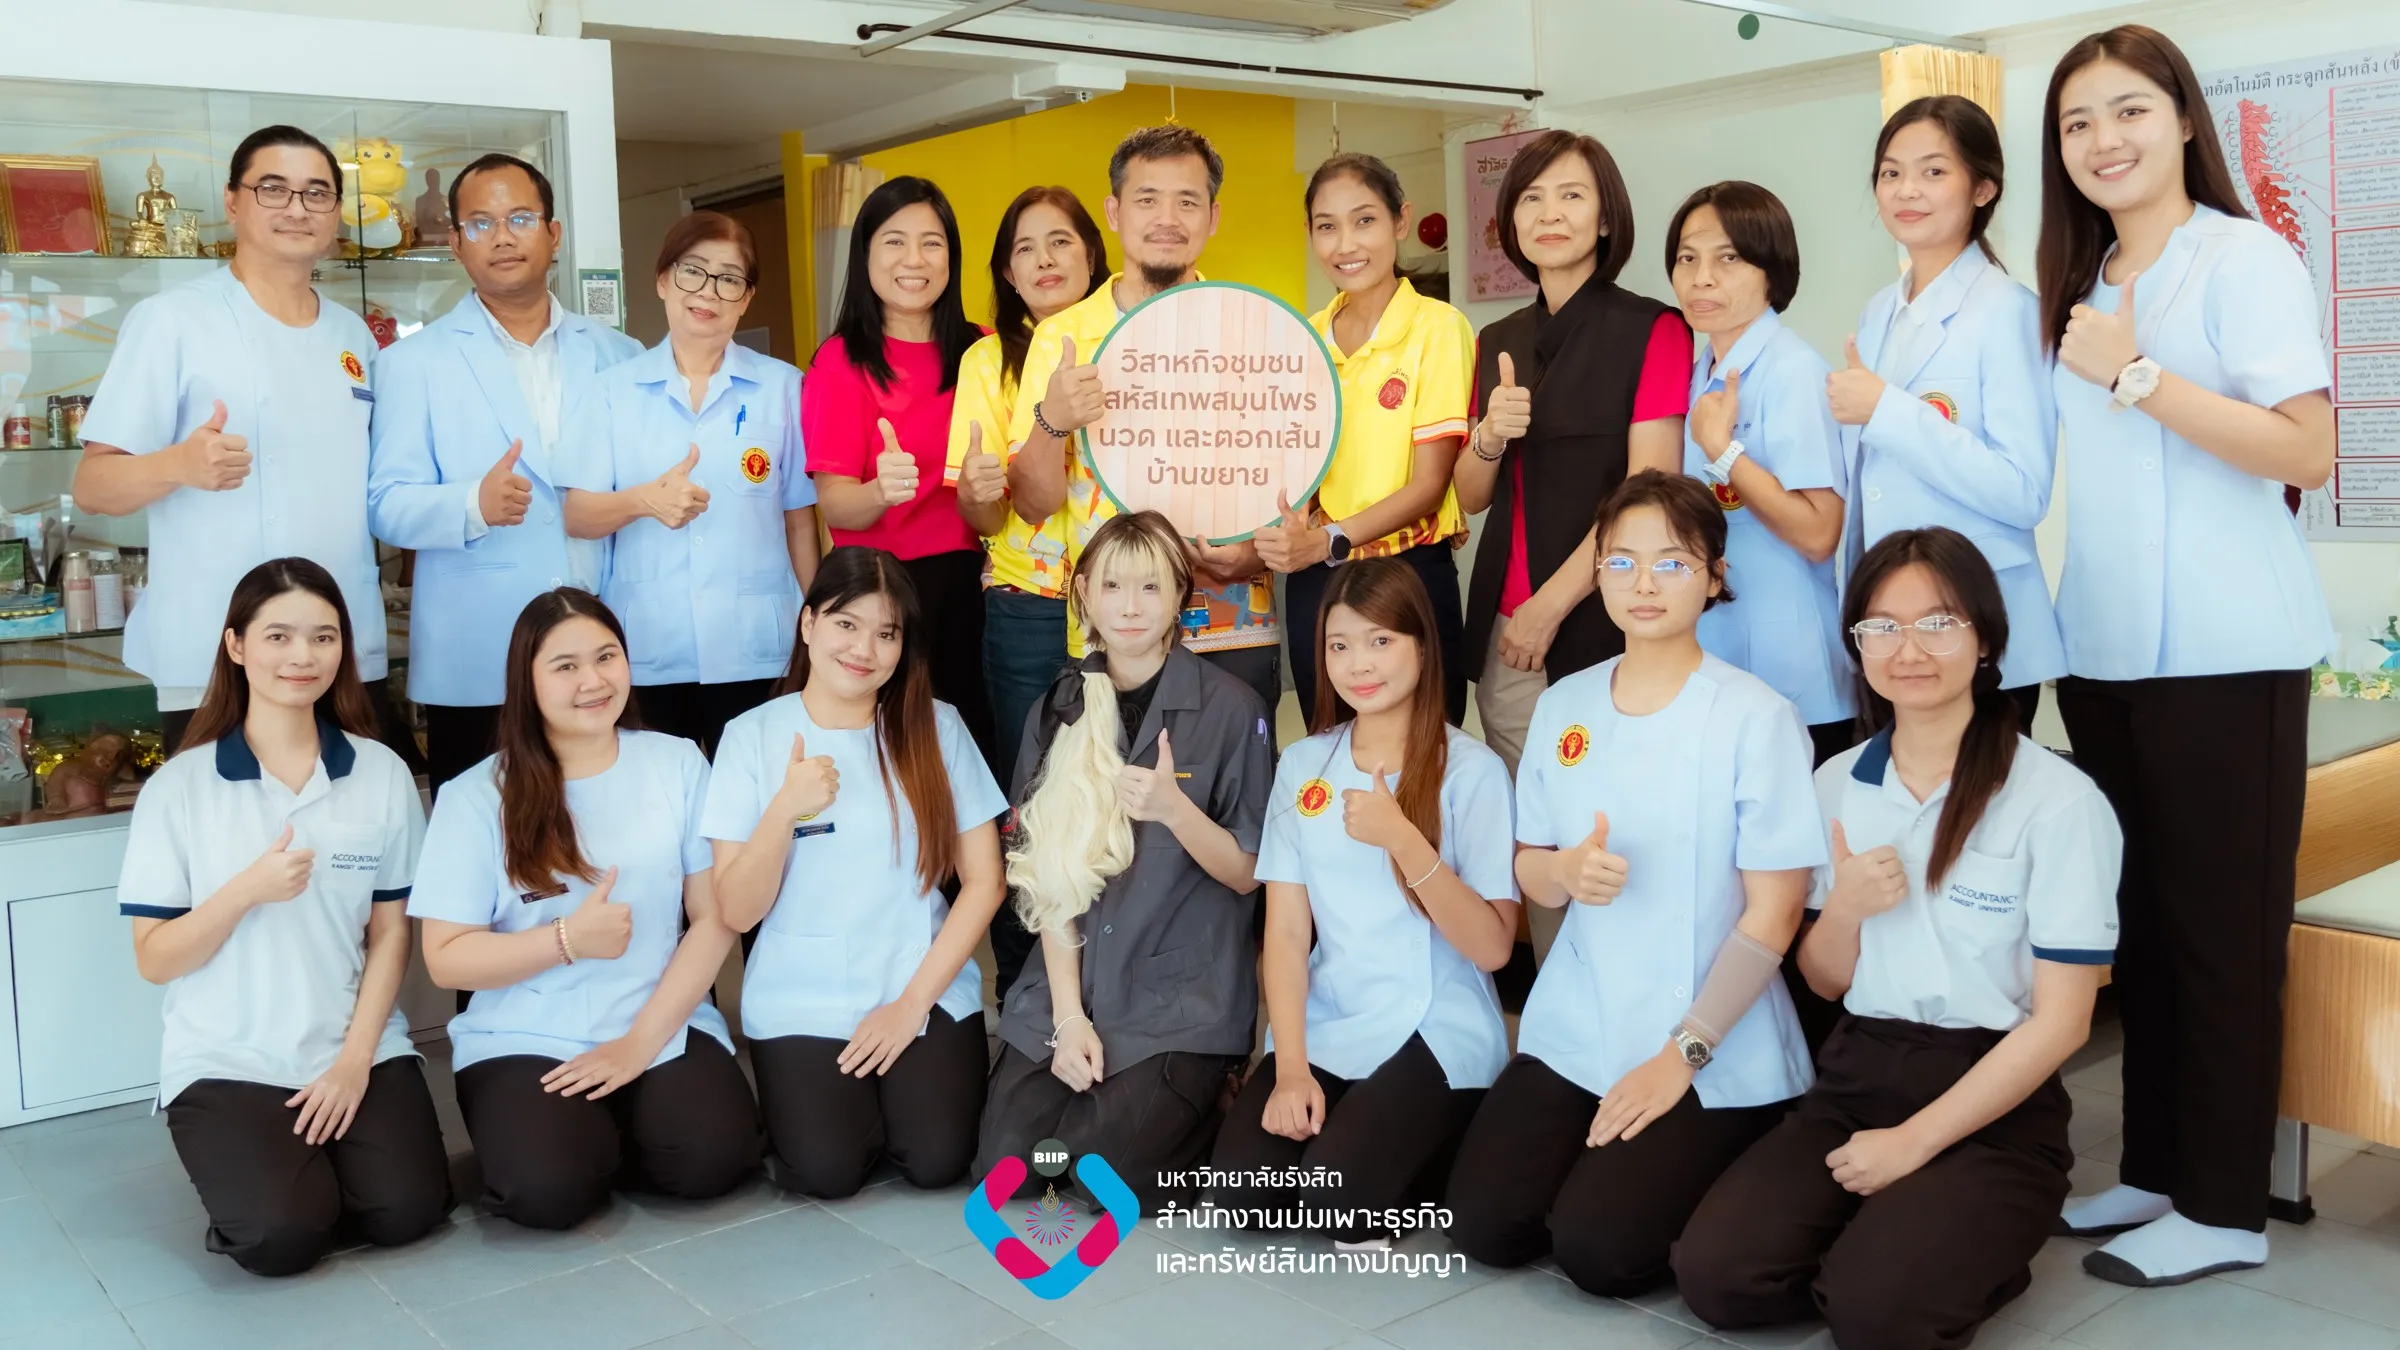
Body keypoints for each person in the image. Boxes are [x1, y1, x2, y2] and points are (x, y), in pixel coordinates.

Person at [2038, 24, 2335, 1287]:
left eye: (2128, 111)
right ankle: (2158, 1168)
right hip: (2105, 652)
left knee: (2222, 934)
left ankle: (2224, 1206)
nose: (2104, 140)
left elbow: (2305, 448)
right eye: (2078, 122)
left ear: (2181, 121)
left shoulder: (2242, 256)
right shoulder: (2083, 281)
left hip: (2227, 648)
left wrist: (2143, 377)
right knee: (2146, 930)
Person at [1674, 527, 2121, 1350]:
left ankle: (1957, 1249)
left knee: (1876, 1317)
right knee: (1718, 1278)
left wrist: (1914, 1144)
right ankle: (1897, 1242)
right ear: (1857, 644)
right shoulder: (1836, 783)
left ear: (1985, 640)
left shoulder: (2057, 800)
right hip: (1859, 1073)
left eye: (1938, 623)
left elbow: (2064, 1023)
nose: (1907, 649)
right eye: (1881, 626)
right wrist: (1844, 909)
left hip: (1996, 1095)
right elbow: (1825, 982)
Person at [1444, 471, 1821, 1297]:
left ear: (1714, 577)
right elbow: (1530, 866)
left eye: (1672, 563)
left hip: (1708, 1037)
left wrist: (1682, 1056)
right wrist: (1564, 871)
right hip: (1582, 1019)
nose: (1644, 584)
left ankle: (1746, 1154)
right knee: (1484, 1223)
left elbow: (1776, 913)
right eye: (1621, 562)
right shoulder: (1566, 706)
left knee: (1600, 1252)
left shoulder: (1755, 717)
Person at [117, 557, 448, 1276]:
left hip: (353, 1042)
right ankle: (278, 1176)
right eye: (278, 636)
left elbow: (391, 932)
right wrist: (245, 889)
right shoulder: (179, 788)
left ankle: (316, 1161)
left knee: (409, 1210)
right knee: (280, 1239)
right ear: (236, 646)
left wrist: (355, 1062)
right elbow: (155, 959)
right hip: (229, 1055)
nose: (303, 656)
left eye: (323, 637)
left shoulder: (381, 773)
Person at [410, 589, 759, 1231]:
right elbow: (446, 958)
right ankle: (567, 1140)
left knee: (714, 1162)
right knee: (548, 1194)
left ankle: (609, 1128)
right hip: (525, 1034)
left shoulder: (678, 762)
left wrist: (637, 1046)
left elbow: (713, 920)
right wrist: (566, 939)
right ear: (527, 680)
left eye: (606, 657)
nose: (593, 681)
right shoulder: (475, 796)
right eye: (565, 666)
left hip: (659, 1020)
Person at [974, 511, 1274, 1217]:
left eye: (1150, 586)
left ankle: (1211, 1093)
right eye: (1112, 586)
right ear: (1083, 594)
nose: (1130, 607)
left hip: (1178, 999)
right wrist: (1067, 1021)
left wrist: (1175, 810)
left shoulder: (1233, 710)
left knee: (1102, 1179)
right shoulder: (1055, 710)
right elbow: (1048, 880)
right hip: (1071, 987)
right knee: (1006, 1168)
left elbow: (1248, 873)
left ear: (1180, 596)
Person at [1209, 557, 1516, 1245]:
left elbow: (1494, 946)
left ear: (1422, 647)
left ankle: (1447, 1137)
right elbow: (1286, 936)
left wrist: (1404, 840)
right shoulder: (1304, 765)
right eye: (1340, 645)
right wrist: (1289, 1069)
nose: (1359, 665)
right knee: (1242, 1193)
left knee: (1340, 1203)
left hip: (1435, 1023)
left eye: (1381, 641)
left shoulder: (1473, 771)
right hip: (1333, 1013)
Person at [77, 126, 396, 754]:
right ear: (232, 201)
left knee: (352, 812)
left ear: (337, 211)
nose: (297, 208)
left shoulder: (352, 335)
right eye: (273, 189)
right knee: (228, 816)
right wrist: (177, 464)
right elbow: (93, 485)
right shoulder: (172, 320)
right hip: (217, 652)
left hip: (338, 646)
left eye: (317, 193)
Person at [702, 546, 1008, 1198]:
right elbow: (737, 910)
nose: (864, 649)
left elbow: (985, 881)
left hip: (919, 981)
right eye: (847, 624)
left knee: (937, 1159)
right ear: (808, 623)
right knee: (826, 1171)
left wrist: (910, 1006)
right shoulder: (750, 736)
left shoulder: (936, 726)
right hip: (802, 993)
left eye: (886, 633)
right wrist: (785, 809)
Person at [369, 153, 642, 792]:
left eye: (520, 218)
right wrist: (473, 504)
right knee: (484, 833)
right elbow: (386, 505)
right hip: (479, 656)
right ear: (456, 244)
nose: (502, 236)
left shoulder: (619, 354)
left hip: (601, 657)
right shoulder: (413, 364)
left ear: (554, 233)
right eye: (480, 223)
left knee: (605, 824)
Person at [1003, 125, 1284, 718]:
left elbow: (1292, 467)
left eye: (1187, 202)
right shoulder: (1062, 337)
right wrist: (1052, 422)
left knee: (1234, 777)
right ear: (1113, 212)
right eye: (1147, 199)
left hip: (1231, 617)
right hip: (1112, 630)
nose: (1167, 219)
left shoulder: (1255, 327)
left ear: (1213, 217)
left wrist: (1254, 552)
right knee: (1109, 778)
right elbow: (1032, 505)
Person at [1453, 129, 1691, 777]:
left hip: (1607, 617)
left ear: (1606, 217)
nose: (1549, 213)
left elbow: (1649, 499)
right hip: (1507, 625)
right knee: (1524, 806)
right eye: (1531, 198)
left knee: (1610, 800)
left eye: (1572, 195)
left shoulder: (1654, 329)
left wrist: (1548, 607)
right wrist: (1489, 437)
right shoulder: (1496, 338)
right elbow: (1471, 497)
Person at [1833, 97, 2062, 729]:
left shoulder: (2009, 311)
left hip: (1980, 631)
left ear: (1983, 188)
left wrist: (1888, 412)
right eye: (1891, 172)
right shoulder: (1879, 313)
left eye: (1934, 171)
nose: (1907, 190)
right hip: (1891, 632)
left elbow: (2023, 491)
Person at [558, 210, 820, 756]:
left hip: (758, 649)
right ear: (662, 281)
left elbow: (800, 522)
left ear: (746, 298)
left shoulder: (783, 388)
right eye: (693, 271)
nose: (708, 291)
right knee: (657, 797)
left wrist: (816, 625)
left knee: (761, 793)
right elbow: (578, 515)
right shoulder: (611, 392)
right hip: (649, 647)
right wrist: (642, 501)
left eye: (729, 278)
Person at [944, 185, 1111, 1006]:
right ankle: (1025, 992)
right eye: (1025, 249)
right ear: (1006, 273)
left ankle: (1115, 985)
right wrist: (980, 490)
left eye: (1061, 242)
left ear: (1093, 254)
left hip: (1132, 608)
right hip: (1030, 609)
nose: (1044, 260)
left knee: (1123, 794)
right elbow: (985, 514)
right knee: (1029, 801)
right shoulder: (988, 363)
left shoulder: (1138, 337)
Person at [1255, 154, 1472, 725]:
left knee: (1424, 752)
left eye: (1365, 220)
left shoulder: (1437, 327)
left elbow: (1429, 485)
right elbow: (1292, 470)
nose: (1346, 244)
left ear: (1401, 221)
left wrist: (1325, 540)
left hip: (1407, 573)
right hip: (1315, 582)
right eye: (1327, 226)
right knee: (1330, 746)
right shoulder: (1303, 338)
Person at [804, 177, 996, 767]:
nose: (914, 260)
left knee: (973, 759)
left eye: (932, 243)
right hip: (881, 595)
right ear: (865, 255)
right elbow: (835, 504)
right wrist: (879, 492)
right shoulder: (840, 360)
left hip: (973, 591)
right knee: (895, 762)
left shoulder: (983, 350)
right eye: (894, 241)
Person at [1670, 181, 1857, 766]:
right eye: (1687, 258)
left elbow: (1820, 532)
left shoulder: (1792, 370)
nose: (1702, 278)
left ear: (1771, 271)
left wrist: (1723, 452)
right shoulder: (1700, 370)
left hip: (1792, 666)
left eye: (1728, 258)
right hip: (1715, 653)